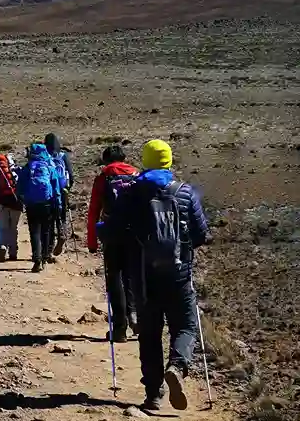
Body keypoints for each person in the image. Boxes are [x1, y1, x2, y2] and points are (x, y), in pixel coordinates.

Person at [112, 139, 211, 412]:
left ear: (145, 161)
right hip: (179, 275)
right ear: (169, 161)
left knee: (150, 334)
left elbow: (114, 232)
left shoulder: (131, 193)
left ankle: (153, 395)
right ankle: (177, 366)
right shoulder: (185, 193)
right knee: (186, 326)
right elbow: (201, 234)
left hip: (143, 279)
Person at [87, 145, 139, 342]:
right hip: (135, 234)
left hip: (112, 234)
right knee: (131, 276)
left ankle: (119, 328)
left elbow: (93, 211)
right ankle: (134, 315)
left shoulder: (103, 178)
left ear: (107, 161)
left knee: (114, 278)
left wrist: (92, 242)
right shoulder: (137, 175)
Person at [16, 143, 64, 273]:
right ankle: (44, 258)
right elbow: (56, 187)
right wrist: (58, 204)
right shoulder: (49, 167)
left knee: (34, 232)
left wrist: (22, 198)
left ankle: (36, 259)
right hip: (47, 203)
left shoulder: (27, 168)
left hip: (32, 204)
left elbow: (20, 187)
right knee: (46, 231)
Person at [0, 150, 21, 261]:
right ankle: (13, 252)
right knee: (13, 228)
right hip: (15, 203)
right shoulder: (13, 173)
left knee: (3, 227)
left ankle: (2, 246)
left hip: (1, 204)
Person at [45, 133, 73, 256]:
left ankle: (49, 250)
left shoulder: (45, 155)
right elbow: (71, 175)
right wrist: (68, 187)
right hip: (62, 190)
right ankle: (62, 234)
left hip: (49, 191)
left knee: (49, 220)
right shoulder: (63, 155)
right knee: (61, 216)